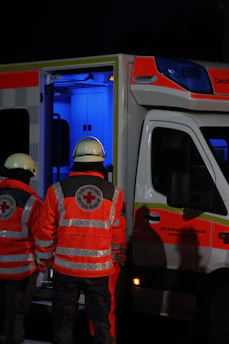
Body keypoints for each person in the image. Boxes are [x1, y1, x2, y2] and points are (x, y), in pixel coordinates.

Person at [35, 136, 124, 344]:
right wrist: (111, 260)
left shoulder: (56, 190)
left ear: (75, 161)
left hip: (65, 270)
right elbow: (117, 234)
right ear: (101, 162)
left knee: (63, 323)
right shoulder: (114, 193)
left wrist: (45, 261)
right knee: (102, 321)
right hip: (99, 271)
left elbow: (45, 231)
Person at [0, 153, 43, 344]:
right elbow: (41, 238)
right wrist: (42, 267)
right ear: (27, 175)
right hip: (21, 271)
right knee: (15, 316)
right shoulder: (33, 203)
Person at [88, 201, 126, 343]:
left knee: (104, 303)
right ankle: (101, 336)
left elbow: (115, 246)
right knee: (101, 303)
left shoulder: (111, 216)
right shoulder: (112, 214)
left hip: (107, 265)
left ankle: (107, 338)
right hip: (107, 264)